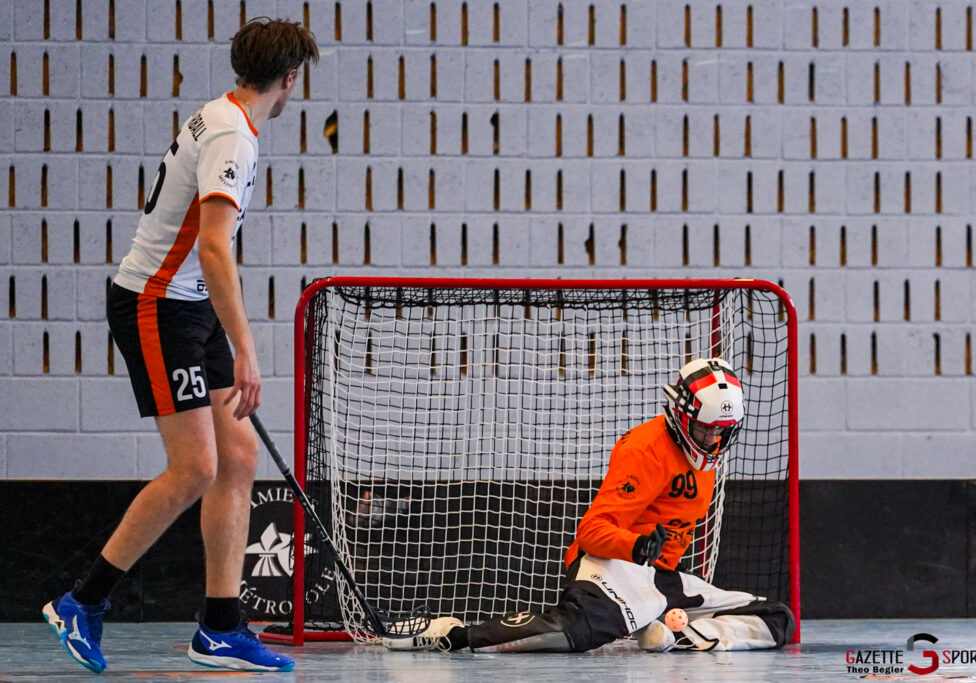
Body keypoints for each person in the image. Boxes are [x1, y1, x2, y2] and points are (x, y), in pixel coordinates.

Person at [42, 18, 318, 674]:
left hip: (190, 304)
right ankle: (82, 601)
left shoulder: (222, 114)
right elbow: (215, 247)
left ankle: (220, 628)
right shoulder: (232, 136)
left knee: (238, 456)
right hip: (155, 304)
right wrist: (247, 349)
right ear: (290, 79)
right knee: (195, 467)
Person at [384, 358, 794, 654]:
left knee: (776, 618)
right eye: (705, 430)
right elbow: (591, 533)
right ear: (682, 414)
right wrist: (637, 546)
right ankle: (452, 634)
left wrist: (655, 567)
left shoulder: (706, 457)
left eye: (723, 432)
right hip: (613, 565)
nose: (713, 441)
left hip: (659, 579)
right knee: (574, 632)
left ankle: (673, 636)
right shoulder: (645, 449)